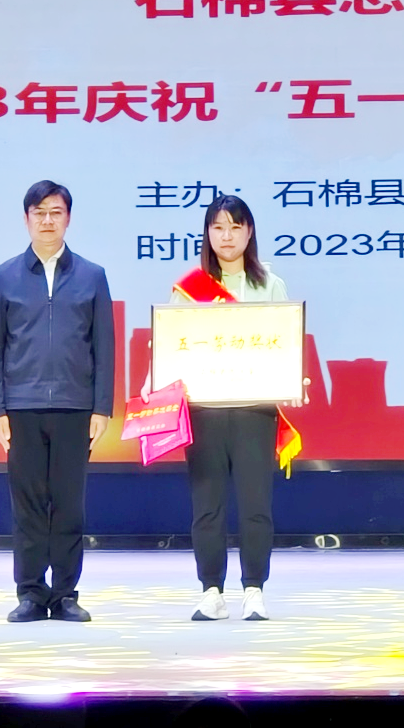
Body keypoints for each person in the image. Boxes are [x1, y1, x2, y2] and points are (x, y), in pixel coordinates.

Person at [142, 195, 297, 622]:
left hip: (255, 411)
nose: (226, 236)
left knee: (255, 506)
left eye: (235, 226)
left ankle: (254, 590)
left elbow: (287, 344)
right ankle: (211, 591)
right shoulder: (188, 289)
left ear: (249, 232)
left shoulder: (271, 286)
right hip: (204, 411)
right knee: (207, 507)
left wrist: (292, 380)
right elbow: (168, 348)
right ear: (207, 234)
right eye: (218, 227)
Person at [0, 180, 114, 623]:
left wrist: (102, 406)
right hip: (21, 406)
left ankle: (65, 594)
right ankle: (31, 594)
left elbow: (105, 346)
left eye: (56, 212)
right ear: (26, 219)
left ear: (68, 219)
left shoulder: (92, 276)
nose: (47, 220)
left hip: (76, 407)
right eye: (39, 213)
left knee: (70, 504)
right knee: (29, 505)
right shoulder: (4, 276)